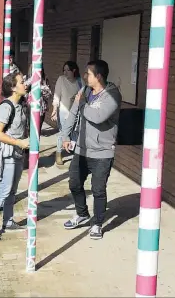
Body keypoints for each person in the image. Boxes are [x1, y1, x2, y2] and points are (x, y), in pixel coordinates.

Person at [62, 60, 122, 240]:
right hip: (81, 149)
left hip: (102, 152)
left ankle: (97, 224)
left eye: (88, 73)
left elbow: (97, 116)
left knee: (98, 190)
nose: (84, 76)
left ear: (99, 76)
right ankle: (82, 214)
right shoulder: (85, 90)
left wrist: (81, 105)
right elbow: (73, 113)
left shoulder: (112, 95)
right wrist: (65, 136)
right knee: (74, 183)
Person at [0, 72, 30, 240]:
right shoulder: (6, 107)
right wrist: (20, 143)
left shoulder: (22, 105)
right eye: (22, 82)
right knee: (4, 190)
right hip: (8, 154)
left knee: (12, 190)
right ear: (13, 87)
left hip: (18, 153)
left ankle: (8, 221)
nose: (25, 84)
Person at [51, 61, 82, 166]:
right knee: (63, 132)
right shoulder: (61, 79)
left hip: (76, 111)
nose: (65, 72)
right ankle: (58, 154)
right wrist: (55, 110)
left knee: (74, 133)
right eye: (64, 70)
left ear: (74, 70)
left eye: (67, 70)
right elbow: (57, 95)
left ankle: (71, 151)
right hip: (64, 110)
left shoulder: (80, 81)